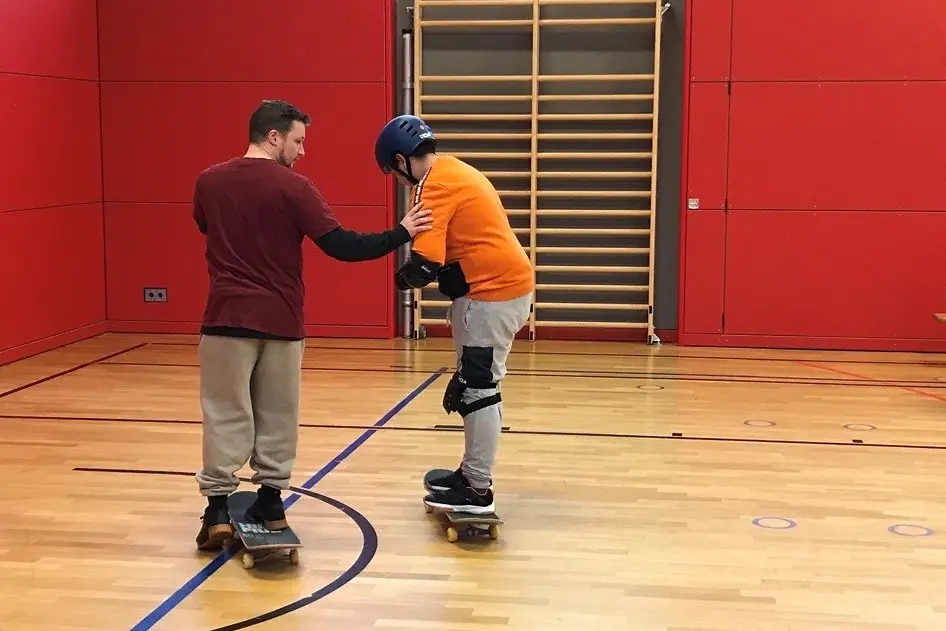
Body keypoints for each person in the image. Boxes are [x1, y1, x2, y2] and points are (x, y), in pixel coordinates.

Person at [192, 100, 433, 550]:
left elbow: (205, 225)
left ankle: (218, 511)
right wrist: (402, 231)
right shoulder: (294, 188)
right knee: (279, 416)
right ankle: (269, 501)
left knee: (225, 415)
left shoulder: (208, 181)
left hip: (224, 320)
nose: (303, 152)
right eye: (299, 141)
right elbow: (342, 246)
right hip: (282, 320)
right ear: (274, 136)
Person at [374, 114, 534, 515]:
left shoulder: (434, 186)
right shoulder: (454, 168)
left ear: (400, 160)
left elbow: (424, 266)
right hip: (502, 288)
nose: (399, 181)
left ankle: (477, 487)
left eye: (394, 174)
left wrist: (397, 278)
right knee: (479, 385)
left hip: (491, 296)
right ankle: (471, 473)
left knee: (477, 389)